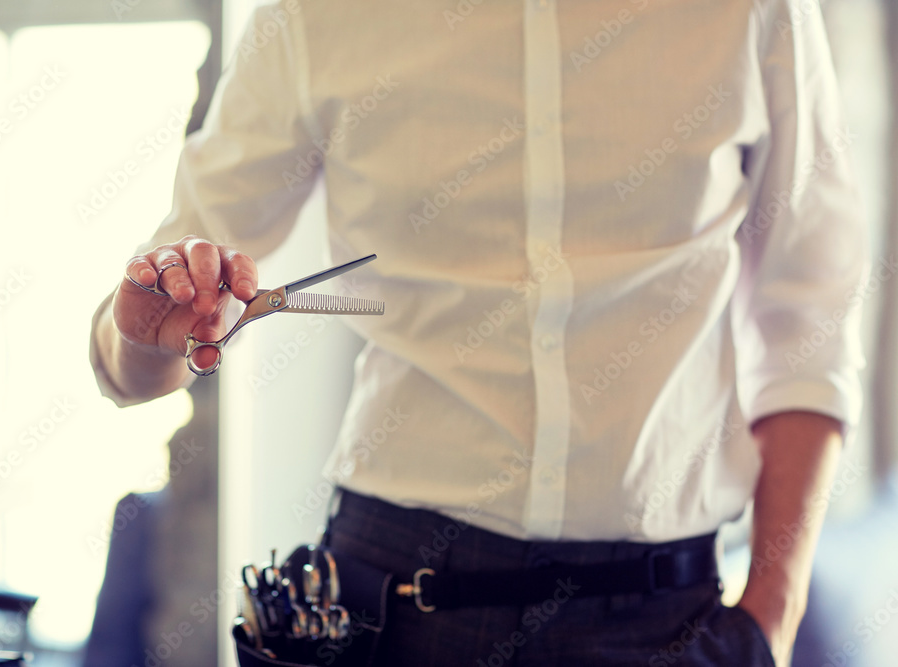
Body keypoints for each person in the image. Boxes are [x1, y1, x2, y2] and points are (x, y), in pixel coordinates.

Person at [90, 0, 866, 664]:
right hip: (393, 604)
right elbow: (153, 344)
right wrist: (144, 336)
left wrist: (771, 619)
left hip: (666, 615)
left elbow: (810, 321)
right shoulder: (316, 16)